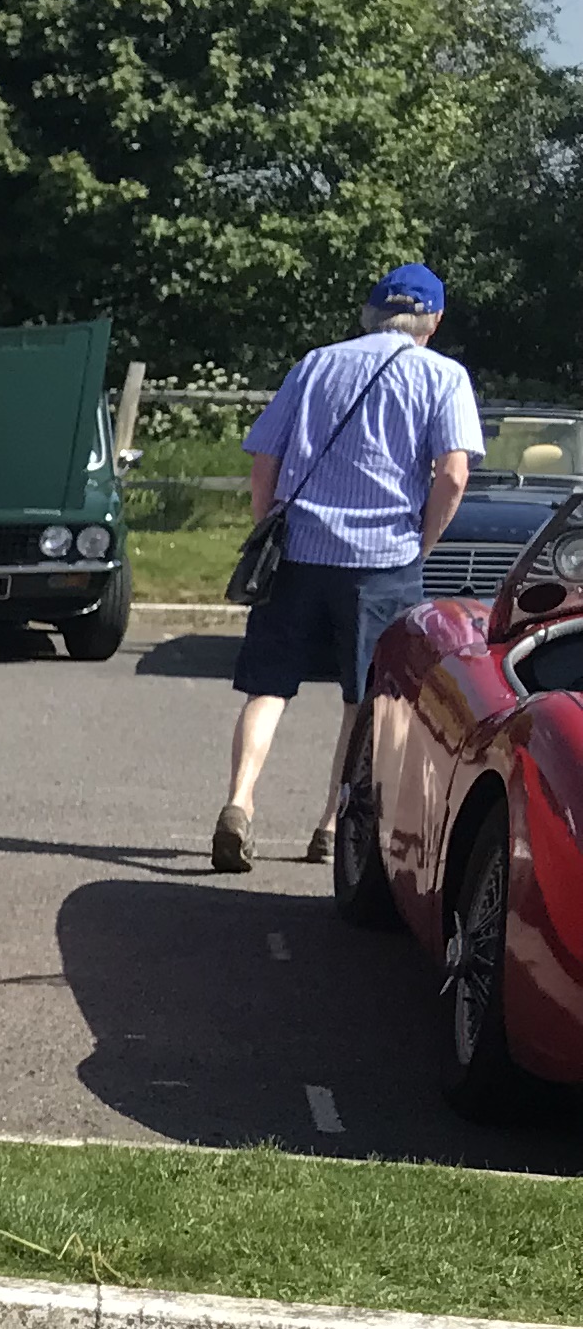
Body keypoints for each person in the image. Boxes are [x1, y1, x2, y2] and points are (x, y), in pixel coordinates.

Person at [215, 262, 484, 872]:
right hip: (383, 560)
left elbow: (265, 464)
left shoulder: (316, 364)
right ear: (434, 321)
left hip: (300, 552)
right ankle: (333, 825)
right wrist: (424, 543)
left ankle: (238, 803)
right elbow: (454, 473)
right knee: (367, 700)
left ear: (369, 313)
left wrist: (270, 524)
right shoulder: (444, 377)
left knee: (268, 688)